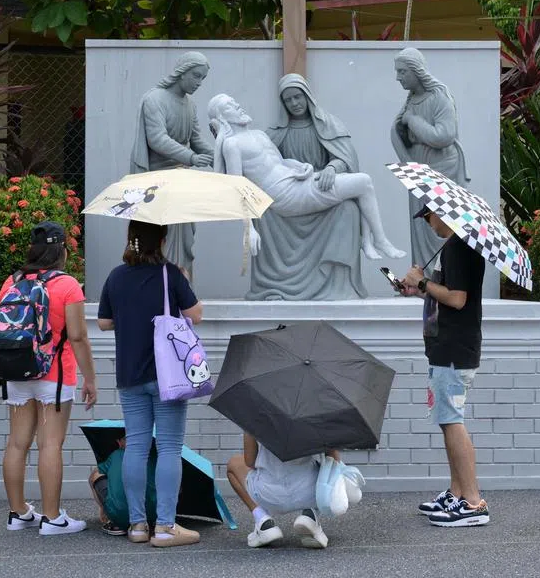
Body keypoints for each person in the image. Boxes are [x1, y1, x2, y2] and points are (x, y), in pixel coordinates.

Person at [97, 220, 204, 547]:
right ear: (162, 239)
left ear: (131, 239)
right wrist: (184, 282)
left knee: (138, 447)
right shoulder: (170, 274)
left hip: (130, 375)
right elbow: (195, 314)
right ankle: (166, 527)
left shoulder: (116, 276)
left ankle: (138, 525)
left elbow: (103, 322)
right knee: (170, 446)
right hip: (167, 375)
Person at [207, 93, 405, 261]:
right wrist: (248, 228)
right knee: (363, 182)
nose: (237, 106)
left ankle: (370, 241)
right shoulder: (231, 144)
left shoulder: (259, 135)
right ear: (222, 118)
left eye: (235, 102)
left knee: (362, 184)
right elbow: (236, 187)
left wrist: (301, 166)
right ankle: (377, 240)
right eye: (229, 107)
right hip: (286, 196)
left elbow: (280, 162)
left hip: (298, 181)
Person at [0, 221, 98, 536]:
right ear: (61, 250)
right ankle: (52, 518)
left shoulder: (11, 282)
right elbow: (79, 337)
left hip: (16, 370)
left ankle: (18, 513)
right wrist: (91, 379)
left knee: (17, 443)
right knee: (50, 443)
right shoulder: (67, 285)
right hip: (54, 374)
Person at [401, 205, 489, 527]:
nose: (426, 222)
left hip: (454, 348)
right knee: (448, 420)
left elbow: (457, 299)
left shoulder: (459, 247)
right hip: (447, 348)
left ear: (444, 213)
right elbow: (445, 296)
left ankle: (473, 502)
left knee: (452, 421)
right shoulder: (454, 247)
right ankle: (457, 493)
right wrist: (417, 288)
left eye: (428, 216)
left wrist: (423, 284)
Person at [250, 73, 368, 300]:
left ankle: (337, 287)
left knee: (349, 211)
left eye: (298, 97)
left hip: (320, 193)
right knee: (262, 210)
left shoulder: (328, 125)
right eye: (288, 99)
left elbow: (346, 159)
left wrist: (332, 168)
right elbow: (260, 164)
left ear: (307, 96)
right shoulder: (274, 133)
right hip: (289, 196)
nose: (294, 103)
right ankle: (276, 283)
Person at [129, 51, 215, 273]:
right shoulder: (154, 99)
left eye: (202, 78)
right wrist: (192, 158)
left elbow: (195, 140)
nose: (199, 82)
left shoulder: (190, 105)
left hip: (182, 182)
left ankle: (180, 286)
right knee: (157, 236)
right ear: (182, 72)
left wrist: (219, 154)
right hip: (157, 182)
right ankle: (159, 283)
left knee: (185, 240)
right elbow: (157, 139)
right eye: (196, 76)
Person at [390, 48, 469, 264]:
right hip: (418, 168)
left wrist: (412, 121)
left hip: (441, 167)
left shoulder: (439, 96)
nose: (398, 77)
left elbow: (444, 136)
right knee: (421, 226)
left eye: (402, 72)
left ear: (416, 71)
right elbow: (399, 129)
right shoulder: (411, 98)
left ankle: (445, 273)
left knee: (441, 222)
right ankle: (422, 275)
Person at [225, 434, 337, 549]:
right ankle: (310, 516)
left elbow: (250, 462)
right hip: (308, 494)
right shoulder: (314, 417)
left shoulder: (256, 417)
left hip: (268, 495)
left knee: (234, 463)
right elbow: (334, 459)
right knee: (330, 469)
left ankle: (262, 520)